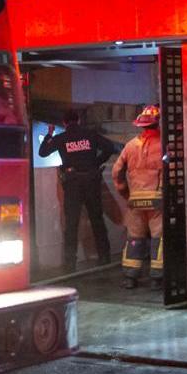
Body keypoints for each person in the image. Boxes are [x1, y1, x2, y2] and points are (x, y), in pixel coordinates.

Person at [38, 109, 117, 271]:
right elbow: (110, 147)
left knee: (71, 223)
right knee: (97, 220)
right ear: (79, 120)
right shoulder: (90, 135)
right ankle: (104, 256)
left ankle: (70, 262)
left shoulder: (62, 138)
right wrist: (95, 162)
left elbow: (43, 152)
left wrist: (49, 135)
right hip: (91, 180)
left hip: (72, 183)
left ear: (65, 123)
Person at [112, 104, 164, 289]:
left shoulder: (130, 146)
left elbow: (116, 172)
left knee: (135, 238)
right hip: (157, 201)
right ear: (157, 124)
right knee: (159, 238)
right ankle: (157, 279)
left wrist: (126, 193)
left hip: (135, 201)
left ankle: (130, 277)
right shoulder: (164, 146)